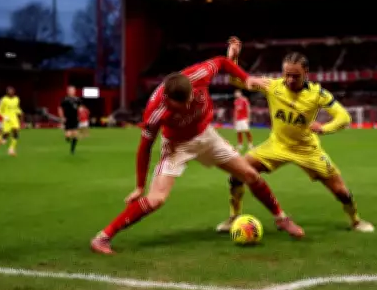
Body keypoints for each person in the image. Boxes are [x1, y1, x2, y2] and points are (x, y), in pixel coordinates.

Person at [90, 56, 305, 255]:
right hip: (177, 145)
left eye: (189, 100)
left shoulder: (198, 75)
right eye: (180, 106)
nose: (187, 107)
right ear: (167, 99)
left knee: (250, 174)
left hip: (207, 135)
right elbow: (145, 147)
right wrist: (139, 185)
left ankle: (281, 218)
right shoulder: (155, 112)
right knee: (156, 199)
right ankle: (103, 237)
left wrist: (246, 78)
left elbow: (222, 61)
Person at [216, 38, 375, 234]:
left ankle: (356, 221)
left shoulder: (318, 94)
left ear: (306, 74)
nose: (290, 80)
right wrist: (232, 60)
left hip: (307, 149)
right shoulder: (272, 86)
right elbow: (237, 80)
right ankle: (234, 217)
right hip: (276, 145)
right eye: (287, 75)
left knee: (341, 191)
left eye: (296, 76)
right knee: (237, 173)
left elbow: (344, 117)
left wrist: (324, 128)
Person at [0, 87, 22, 157]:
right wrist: (4, 116)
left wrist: (20, 112)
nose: (11, 92)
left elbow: (16, 108)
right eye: (9, 91)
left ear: (14, 92)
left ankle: (11, 149)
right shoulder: (4, 99)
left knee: (16, 132)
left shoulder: (17, 99)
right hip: (7, 119)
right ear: (7, 92)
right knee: (6, 135)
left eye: (12, 91)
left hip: (14, 119)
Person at [59, 86, 81, 154]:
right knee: (68, 135)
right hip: (67, 119)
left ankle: (72, 150)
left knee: (75, 135)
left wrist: (80, 116)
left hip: (75, 119)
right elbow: (60, 108)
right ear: (68, 91)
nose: (72, 91)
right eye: (70, 90)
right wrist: (62, 117)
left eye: (73, 90)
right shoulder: (65, 99)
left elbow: (80, 109)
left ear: (75, 91)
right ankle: (67, 137)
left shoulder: (77, 99)